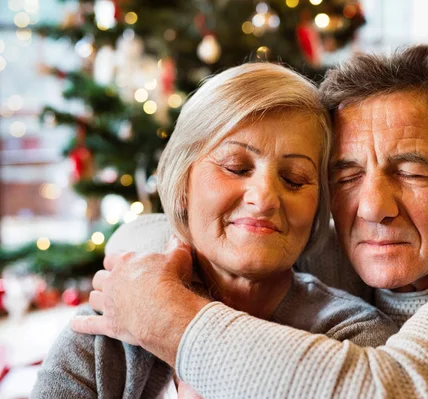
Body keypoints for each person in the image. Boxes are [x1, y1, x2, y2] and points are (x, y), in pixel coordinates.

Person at [72, 45, 428, 398]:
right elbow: (184, 228)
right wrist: (144, 260)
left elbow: (382, 389)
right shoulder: (348, 248)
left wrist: (167, 317)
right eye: (345, 176)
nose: (374, 207)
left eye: (411, 171)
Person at [31, 62, 397, 399]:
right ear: (183, 183)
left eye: (294, 178)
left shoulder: (358, 339)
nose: (265, 198)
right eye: (236, 167)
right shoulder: (111, 322)